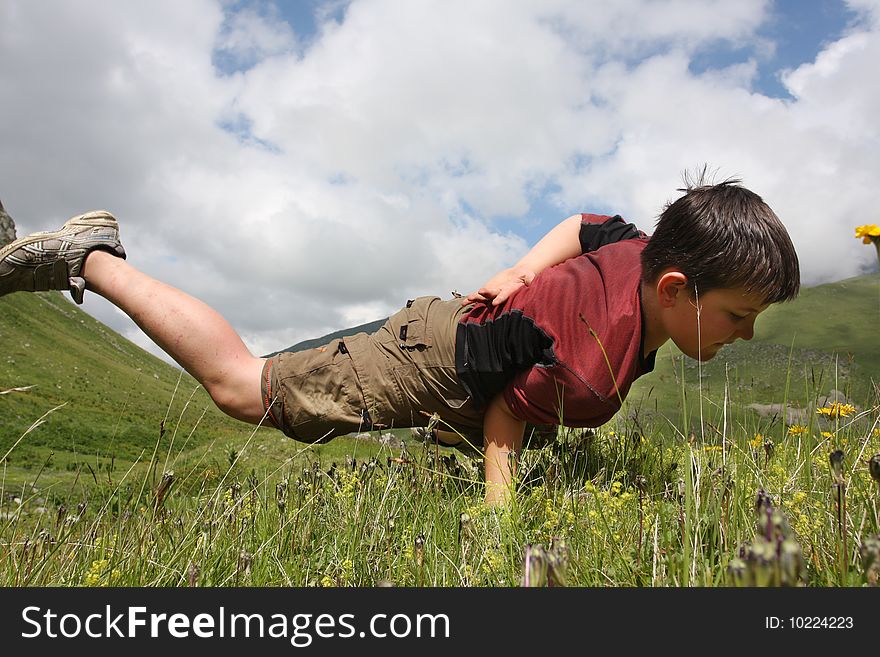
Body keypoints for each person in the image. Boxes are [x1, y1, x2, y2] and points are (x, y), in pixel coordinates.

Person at [0, 178, 800, 504]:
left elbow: (589, 223)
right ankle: (93, 258)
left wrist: (521, 269)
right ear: (674, 288)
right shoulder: (589, 364)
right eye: (737, 315)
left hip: (459, 330)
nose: (746, 332)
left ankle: (92, 256)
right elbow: (504, 424)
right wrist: (501, 536)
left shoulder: (643, 247)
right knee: (244, 388)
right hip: (435, 358)